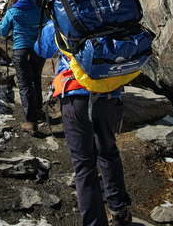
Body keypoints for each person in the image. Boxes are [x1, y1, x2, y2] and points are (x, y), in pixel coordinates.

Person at [35, 20, 133, 226]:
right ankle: (119, 211)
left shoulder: (62, 16)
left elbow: (42, 49)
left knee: (84, 165)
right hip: (109, 94)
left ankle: (95, 222)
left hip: (75, 95)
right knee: (108, 152)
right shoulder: (106, 13)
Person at [0, 0, 47, 135]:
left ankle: (31, 122)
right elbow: (47, 26)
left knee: (25, 86)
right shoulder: (39, 11)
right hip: (38, 51)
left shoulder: (12, 12)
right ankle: (39, 110)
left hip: (21, 51)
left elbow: (3, 32)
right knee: (36, 80)